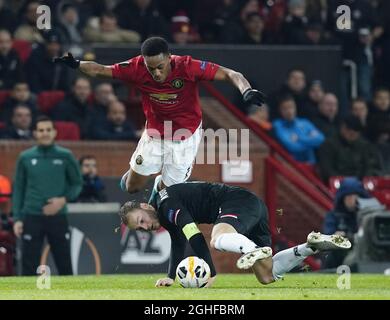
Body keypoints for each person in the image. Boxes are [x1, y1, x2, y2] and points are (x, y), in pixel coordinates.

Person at [54, 36, 266, 201]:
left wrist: (246, 90)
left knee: (169, 192)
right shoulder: (136, 68)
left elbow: (230, 74)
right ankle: (135, 173)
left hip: (186, 136)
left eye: (160, 67)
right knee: (132, 188)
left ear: (169, 57)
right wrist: (77, 64)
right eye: (150, 68)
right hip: (156, 133)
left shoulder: (187, 66)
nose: (155, 73)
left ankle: (159, 186)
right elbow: (102, 70)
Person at [119, 181, 351, 287]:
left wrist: (211, 273)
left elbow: (195, 236)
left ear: (146, 207)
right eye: (139, 229)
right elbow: (178, 242)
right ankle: (310, 246)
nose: (144, 227)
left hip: (237, 202)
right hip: (252, 205)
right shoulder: (165, 213)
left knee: (217, 238)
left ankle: (251, 249)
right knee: (267, 276)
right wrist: (170, 276)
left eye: (141, 221)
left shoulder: (167, 204)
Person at [12, 116, 82, 275]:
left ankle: (70, 297)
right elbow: (19, 189)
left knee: (64, 263)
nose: (45, 133)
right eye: (41, 130)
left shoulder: (66, 155)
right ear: (35, 133)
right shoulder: (25, 157)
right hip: (31, 215)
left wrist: (62, 200)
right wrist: (17, 219)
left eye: (48, 130)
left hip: (58, 215)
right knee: (29, 265)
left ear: (54, 132)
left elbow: (77, 184)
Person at [318, 115, 382, 183]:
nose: (353, 135)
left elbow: (370, 167)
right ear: (343, 128)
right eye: (350, 132)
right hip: (338, 184)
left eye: (356, 133)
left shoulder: (364, 146)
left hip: (361, 183)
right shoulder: (329, 145)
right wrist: (342, 181)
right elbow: (326, 169)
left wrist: (366, 179)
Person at [322, 177, 369, 269]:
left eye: (354, 196)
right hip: (339, 255)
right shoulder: (333, 216)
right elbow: (326, 237)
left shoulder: (366, 216)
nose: (352, 200)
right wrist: (334, 236)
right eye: (348, 197)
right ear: (342, 198)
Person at [272, 95, 324, 164]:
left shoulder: (305, 123)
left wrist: (299, 138)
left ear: (295, 107)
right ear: (280, 110)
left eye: (291, 107)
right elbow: (293, 147)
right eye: (285, 108)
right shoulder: (278, 125)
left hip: (311, 166)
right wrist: (310, 139)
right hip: (292, 166)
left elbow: (320, 139)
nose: (289, 111)